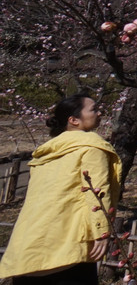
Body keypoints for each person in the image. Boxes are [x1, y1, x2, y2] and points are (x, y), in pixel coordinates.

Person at [0, 94, 122, 285]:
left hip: (28, 248)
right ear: (73, 120)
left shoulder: (45, 153)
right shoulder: (91, 147)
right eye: (94, 109)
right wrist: (102, 232)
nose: (100, 112)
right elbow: (97, 193)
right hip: (67, 248)